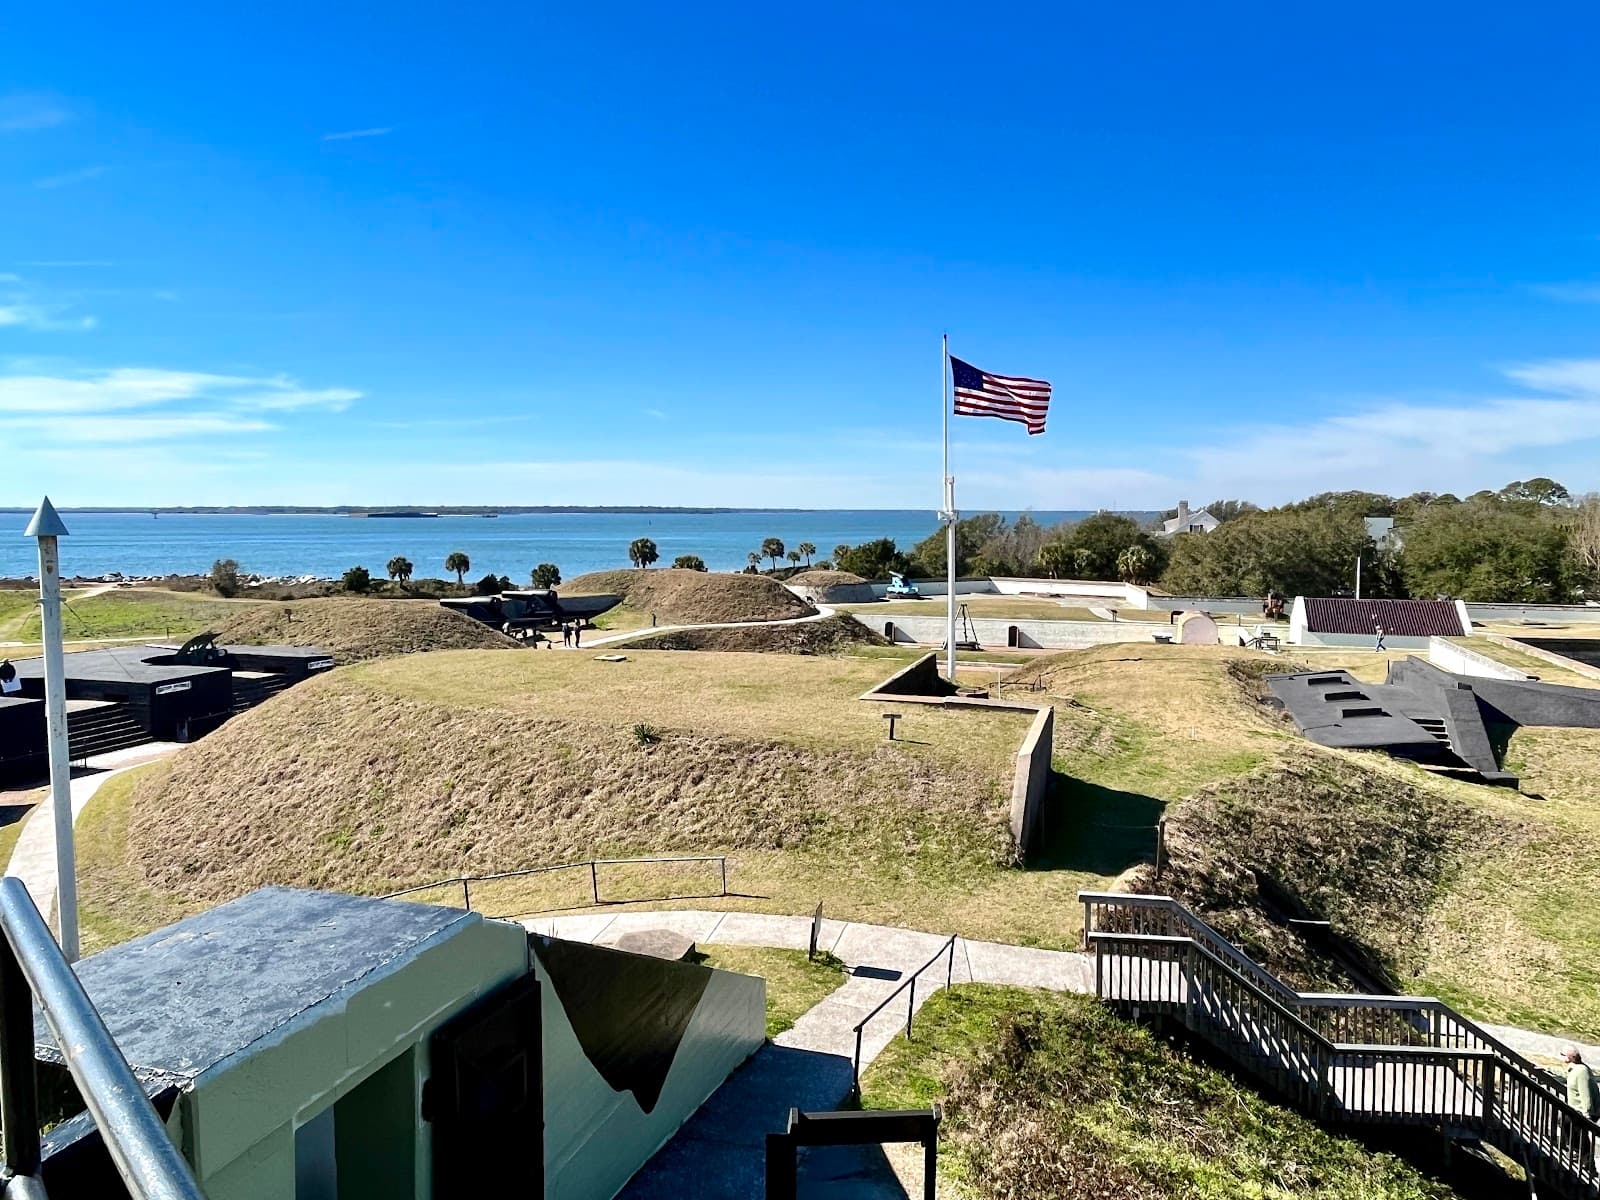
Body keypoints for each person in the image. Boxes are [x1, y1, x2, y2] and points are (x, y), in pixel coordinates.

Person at [1565, 1046, 1598, 1119]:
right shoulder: (1572, 1068)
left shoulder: (1582, 1071)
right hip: (1574, 1110)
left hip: (1581, 1114)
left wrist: (1587, 1114)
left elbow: (1585, 1094)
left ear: (1568, 1058)